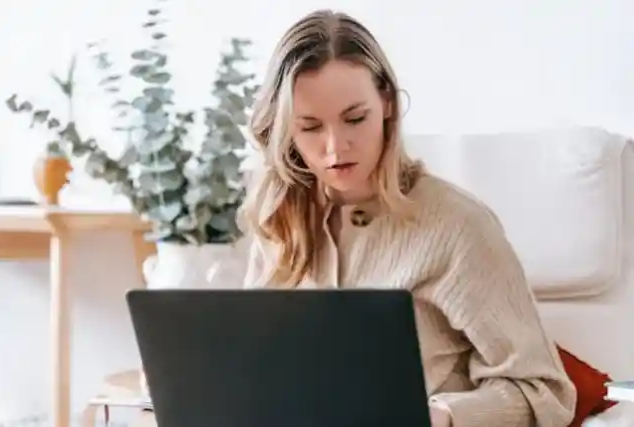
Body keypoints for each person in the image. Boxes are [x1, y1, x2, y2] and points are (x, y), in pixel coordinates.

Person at [239, 9, 576, 427]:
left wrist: (440, 416)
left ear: (387, 105)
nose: (334, 147)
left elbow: (546, 394)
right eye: (309, 127)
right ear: (286, 130)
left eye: (355, 118)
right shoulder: (279, 223)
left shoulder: (457, 226)